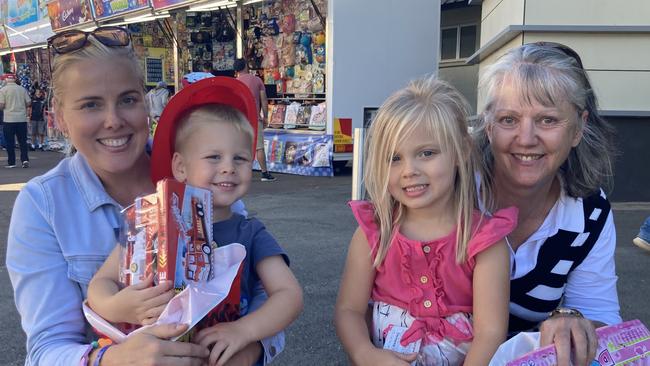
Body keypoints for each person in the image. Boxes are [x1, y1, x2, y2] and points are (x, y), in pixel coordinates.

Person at [7, 27, 211, 365]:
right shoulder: (43, 205)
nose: (113, 121)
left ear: (145, 103)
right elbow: (46, 350)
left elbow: (255, 288)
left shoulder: (193, 177)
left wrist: (254, 344)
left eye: (128, 100)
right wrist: (111, 360)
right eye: (90, 105)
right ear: (59, 117)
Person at [88, 77, 303, 366]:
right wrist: (117, 306)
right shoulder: (150, 224)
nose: (228, 167)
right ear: (180, 166)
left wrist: (244, 331)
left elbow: (289, 294)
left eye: (240, 158)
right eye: (214, 157)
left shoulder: (249, 231)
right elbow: (100, 282)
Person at [335, 76, 518, 365]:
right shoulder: (374, 232)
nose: (409, 170)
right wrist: (364, 353)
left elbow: (491, 332)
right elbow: (349, 310)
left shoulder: (483, 240)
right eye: (394, 158)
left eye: (427, 153)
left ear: (462, 152)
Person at [473, 42, 621, 366]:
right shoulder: (452, 190)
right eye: (509, 119)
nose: (526, 138)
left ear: (579, 127)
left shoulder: (589, 215)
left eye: (547, 120)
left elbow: (603, 320)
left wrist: (573, 322)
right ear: (488, 124)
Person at [234, 58, 276, 182]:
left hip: (240, 120)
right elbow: (264, 100)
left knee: (241, 148)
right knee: (259, 147)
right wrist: (266, 116)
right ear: (246, 66)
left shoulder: (235, 83)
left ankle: (240, 173)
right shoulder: (257, 80)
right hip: (254, 119)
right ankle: (264, 173)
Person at [0, 73, 31, 168]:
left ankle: (12, 162)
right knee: (22, 141)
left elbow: (1, 105)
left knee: (10, 142)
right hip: (21, 118)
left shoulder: (3, 90)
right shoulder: (22, 89)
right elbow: (29, 102)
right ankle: (25, 160)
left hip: (9, 119)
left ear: (5, 80)